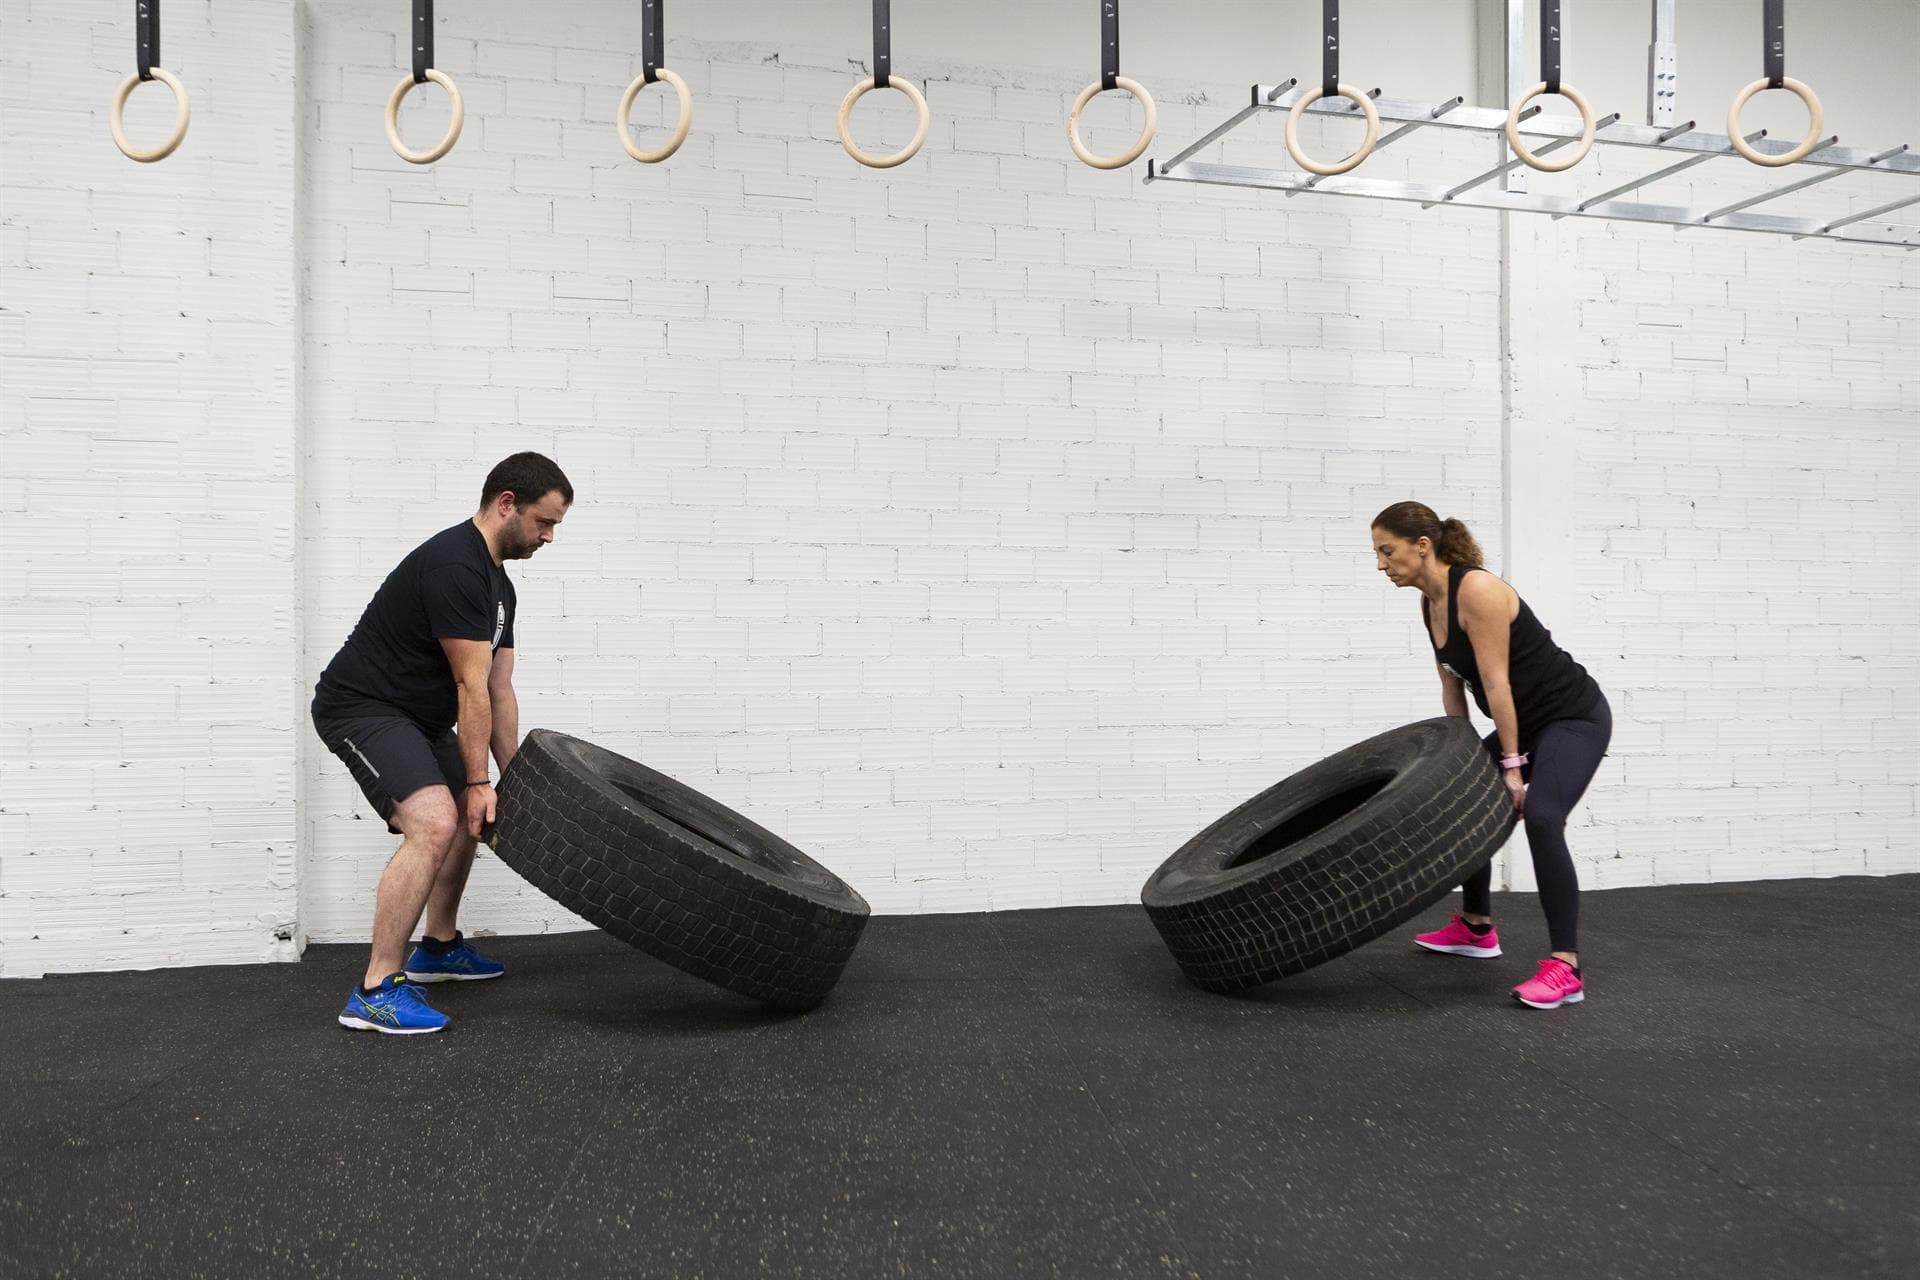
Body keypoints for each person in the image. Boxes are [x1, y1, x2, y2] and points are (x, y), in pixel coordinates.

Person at [312, 452, 573, 1034]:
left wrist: (514, 778)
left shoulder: (499, 588)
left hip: (418, 717)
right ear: (506, 503)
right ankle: (376, 988)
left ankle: (439, 947)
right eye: (543, 522)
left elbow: (500, 689)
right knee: (434, 820)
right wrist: (477, 779)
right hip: (363, 706)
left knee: (468, 815)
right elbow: (469, 684)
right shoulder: (456, 566)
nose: (549, 537)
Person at [1371, 501, 1610, 1010]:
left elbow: (1497, 684)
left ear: (1422, 545)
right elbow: (1452, 687)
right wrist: (1459, 761)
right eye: (1377, 554)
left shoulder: (1475, 589)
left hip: (1571, 718)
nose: (1380, 564)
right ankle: (1477, 928)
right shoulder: (1428, 602)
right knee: (1466, 797)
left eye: (1387, 551)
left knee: (1542, 816)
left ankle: (1566, 968)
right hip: (1522, 724)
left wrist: (1513, 768)